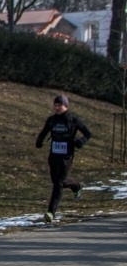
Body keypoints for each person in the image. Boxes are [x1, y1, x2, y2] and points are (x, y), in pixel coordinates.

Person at [35, 94, 91, 223]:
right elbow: (44, 132)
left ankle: (51, 212)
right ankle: (76, 186)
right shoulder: (51, 120)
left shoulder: (73, 119)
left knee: (58, 184)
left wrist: (81, 141)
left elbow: (87, 133)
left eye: (59, 105)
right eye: (55, 105)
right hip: (54, 155)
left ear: (65, 105)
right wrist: (39, 141)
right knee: (56, 181)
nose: (57, 107)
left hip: (67, 156)